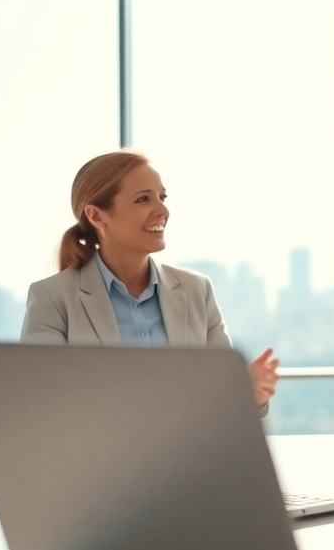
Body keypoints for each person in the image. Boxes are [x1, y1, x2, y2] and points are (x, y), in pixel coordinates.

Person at [21, 150, 280, 410]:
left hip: (187, 450)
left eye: (162, 197)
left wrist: (250, 396)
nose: (163, 210)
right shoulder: (52, 299)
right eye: (144, 199)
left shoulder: (197, 291)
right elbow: (43, 404)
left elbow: (222, 402)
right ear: (97, 216)